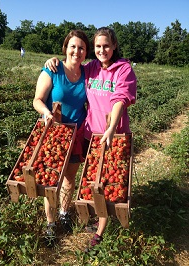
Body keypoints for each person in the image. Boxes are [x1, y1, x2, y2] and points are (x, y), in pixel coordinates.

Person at [44, 27, 137, 251]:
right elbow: (71, 65)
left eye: (106, 45)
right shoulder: (92, 68)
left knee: (105, 181)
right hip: (90, 134)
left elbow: (120, 99)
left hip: (113, 134)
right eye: (97, 46)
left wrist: (112, 127)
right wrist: (53, 60)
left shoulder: (123, 69)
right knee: (94, 178)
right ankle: (94, 218)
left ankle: (99, 233)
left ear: (114, 46)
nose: (102, 50)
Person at [33, 29, 90, 247]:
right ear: (65, 47)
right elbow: (37, 99)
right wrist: (46, 113)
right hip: (54, 133)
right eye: (73, 46)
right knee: (50, 181)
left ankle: (65, 214)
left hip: (76, 133)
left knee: (68, 178)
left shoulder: (87, 73)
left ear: (86, 52)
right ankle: (50, 223)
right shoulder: (52, 70)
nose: (77, 51)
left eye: (82, 47)